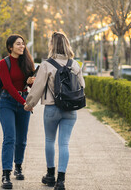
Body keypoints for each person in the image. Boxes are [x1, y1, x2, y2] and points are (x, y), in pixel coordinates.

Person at [24, 32, 85, 190]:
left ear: (52, 45)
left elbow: (38, 86)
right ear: (67, 44)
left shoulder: (47, 64)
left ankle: (50, 176)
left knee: (50, 141)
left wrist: (29, 104)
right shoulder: (75, 64)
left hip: (52, 108)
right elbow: (82, 86)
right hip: (71, 110)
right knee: (64, 143)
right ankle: (61, 181)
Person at [0, 34, 36, 189]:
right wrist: (24, 102)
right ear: (10, 47)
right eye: (18, 44)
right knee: (9, 138)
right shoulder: (3, 63)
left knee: (22, 139)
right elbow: (8, 86)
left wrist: (30, 82)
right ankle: (6, 174)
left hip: (24, 102)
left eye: (23, 44)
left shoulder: (27, 62)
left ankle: (18, 167)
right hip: (7, 102)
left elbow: (31, 86)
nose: (22, 46)